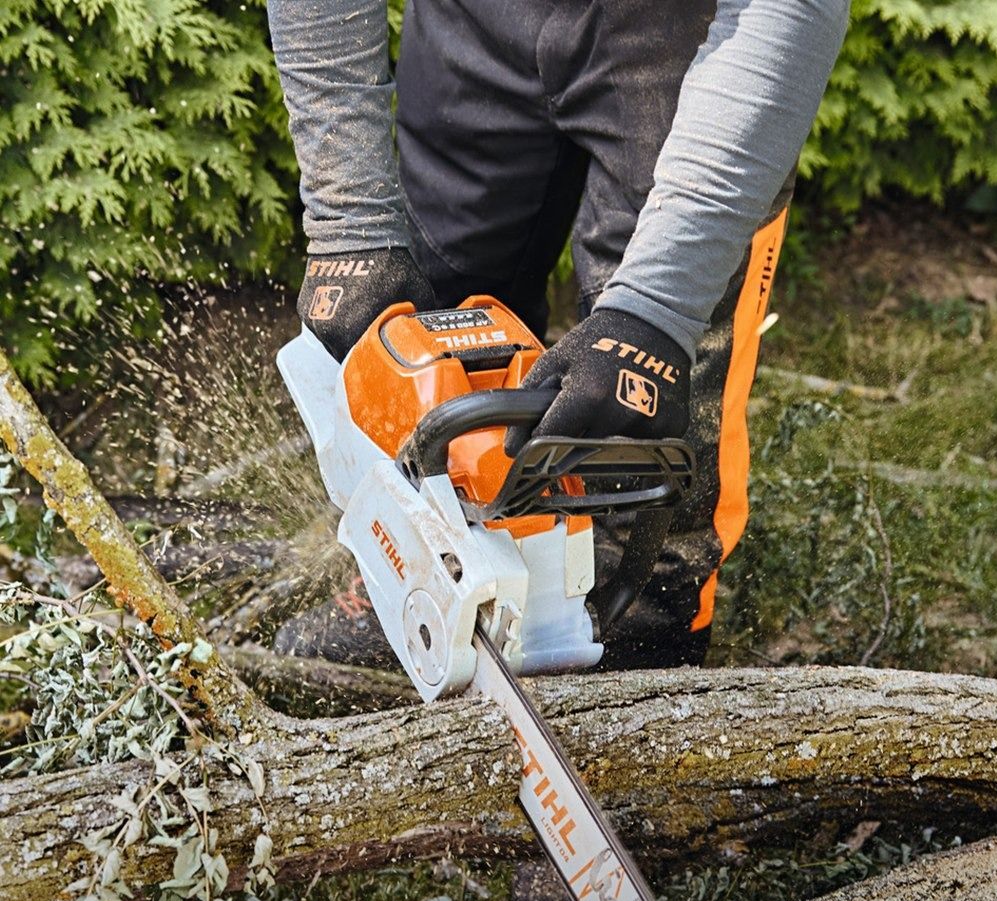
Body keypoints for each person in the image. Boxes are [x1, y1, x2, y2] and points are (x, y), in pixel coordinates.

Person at [267, 0, 849, 670]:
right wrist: (350, 222)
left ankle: (646, 634)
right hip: (473, 29)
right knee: (436, 329)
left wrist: (656, 313)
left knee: (648, 405)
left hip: (686, 39)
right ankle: (426, 572)